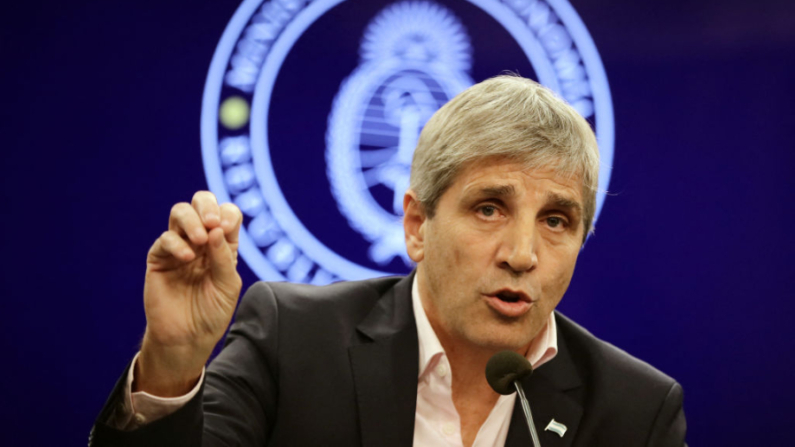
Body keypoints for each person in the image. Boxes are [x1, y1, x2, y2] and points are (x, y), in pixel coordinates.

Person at [90, 76, 686, 446]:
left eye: (556, 221)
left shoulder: (634, 413)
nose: (522, 255)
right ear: (418, 225)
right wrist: (170, 367)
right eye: (488, 209)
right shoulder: (293, 340)